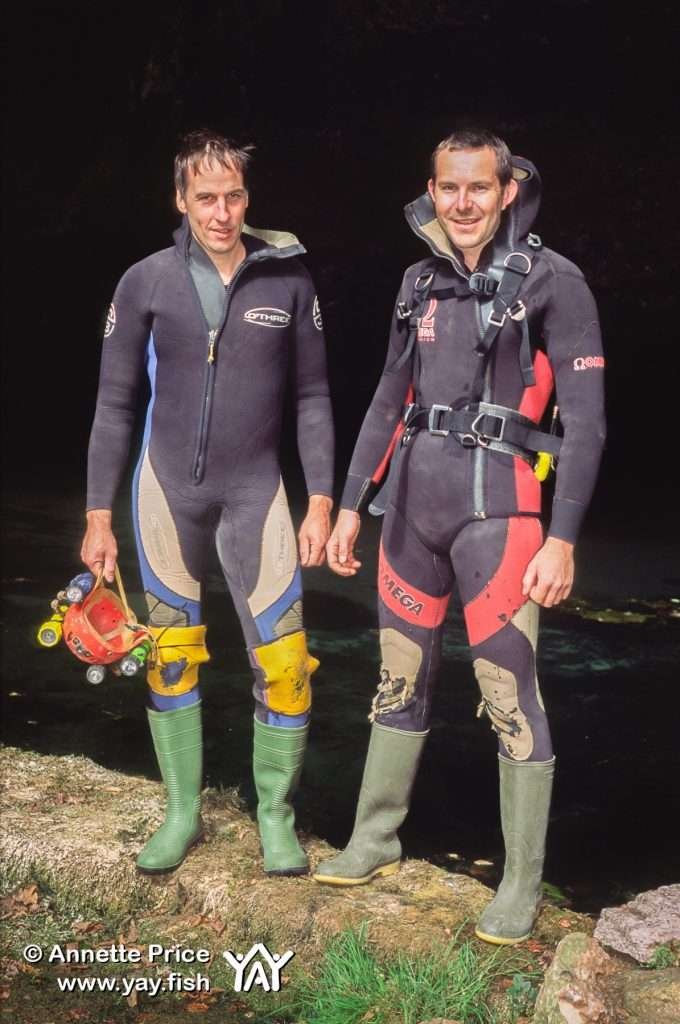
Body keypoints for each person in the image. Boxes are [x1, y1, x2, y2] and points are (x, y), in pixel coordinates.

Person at [313, 130, 605, 945]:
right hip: (410, 513)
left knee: (510, 699)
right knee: (396, 683)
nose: (464, 203)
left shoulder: (556, 282)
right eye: (450, 188)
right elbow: (384, 399)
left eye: (480, 187)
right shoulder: (417, 281)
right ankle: (374, 837)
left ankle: (520, 882)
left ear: (508, 189)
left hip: (503, 522)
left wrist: (564, 539)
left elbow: (585, 428)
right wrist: (348, 505)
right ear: (431, 190)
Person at [81, 130, 334, 877]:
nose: (220, 213)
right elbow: (115, 404)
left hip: (257, 491)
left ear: (248, 199)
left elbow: (314, 398)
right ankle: (181, 812)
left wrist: (320, 499)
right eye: (205, 198)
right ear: (181, 200)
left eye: (232, 197)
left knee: (286, 662)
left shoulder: (289, 283)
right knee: (169, 656)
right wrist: (98, 516)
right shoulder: (145, 282)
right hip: (166, 496)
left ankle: (275, 818)